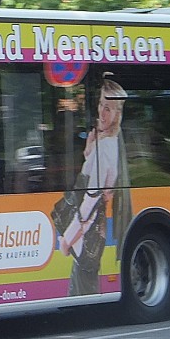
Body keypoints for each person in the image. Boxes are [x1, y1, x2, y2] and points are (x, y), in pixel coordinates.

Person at [54, 76, 130, 296]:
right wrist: (89, 151)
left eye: (108, 108)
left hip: (85, 238)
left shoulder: (105, 148)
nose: (102, 113)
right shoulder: (109, 142)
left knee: (81, 289)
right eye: (100, 105)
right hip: (90, 237)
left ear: (117, 114)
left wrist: (67, 241)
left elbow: (89, 204)